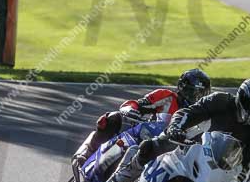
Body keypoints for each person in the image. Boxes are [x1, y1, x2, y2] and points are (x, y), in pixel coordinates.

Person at [111, 77, 250, 182]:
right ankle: (119, 180)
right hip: (188, 144)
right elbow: (189, 113)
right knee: (153, 145)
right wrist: (175, 128)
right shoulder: (221, 101)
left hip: (216, 166)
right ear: (243, 98)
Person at [74, 69, 212, 164]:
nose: (196, 97)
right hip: (142, 134)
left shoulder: (200, 117)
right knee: (112, 118)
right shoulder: (166, 96)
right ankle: (87, 155)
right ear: (182, 87)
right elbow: (138, 104)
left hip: (167, 152)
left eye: (201, 94)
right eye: (193, 92)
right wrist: (130, 109)